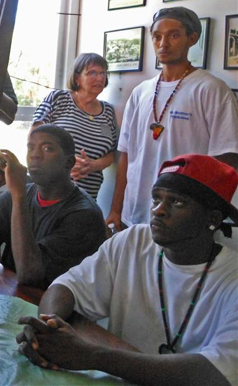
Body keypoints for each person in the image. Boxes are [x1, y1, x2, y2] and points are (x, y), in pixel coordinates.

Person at [16, 154, 238, 386]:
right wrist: (48, 328)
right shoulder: (134, 241)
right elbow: (66, 287)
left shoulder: (232, 277)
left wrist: (91, 355)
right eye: (156, 199)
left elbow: (215, 373)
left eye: (177, 202)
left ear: (212, 218)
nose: (158, 210)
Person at [107, 6, 238, 231]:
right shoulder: (140, 92)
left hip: (183, 219)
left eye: (174, 35)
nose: (163, 44)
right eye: (157, 36)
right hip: (135, 215)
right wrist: (116, 210)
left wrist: (208, 215)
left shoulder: (212, 90)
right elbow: (126, 156)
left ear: (192, 38)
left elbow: (226, 163)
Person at [0, 124, 106, 289]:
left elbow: (29, 274)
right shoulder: (12, 198)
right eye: (30, 148)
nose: (35, 155)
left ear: (69, 163)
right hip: (12, 296)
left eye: (47, 149)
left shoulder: (84, 215)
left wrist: (19, 195)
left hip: (55, 310)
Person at [32, 53, 117, 200]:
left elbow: (112, 154)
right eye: (92, 73)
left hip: (86, 199)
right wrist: (63, 163)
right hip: (49, 192)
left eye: (103, 73)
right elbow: (35, 135)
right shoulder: (58, 98)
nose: (100, 78)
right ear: (77, 78)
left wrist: (93, 165)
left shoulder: (108, 111)